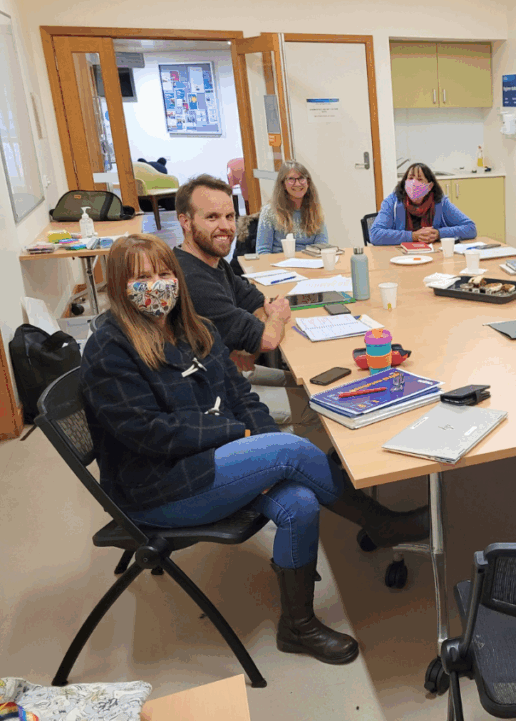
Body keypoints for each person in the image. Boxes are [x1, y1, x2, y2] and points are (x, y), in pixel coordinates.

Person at [80, 234, 430, 665]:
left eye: (165, 273)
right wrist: (241, 437)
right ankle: (382, 525)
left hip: (211, 459)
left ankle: (297, 627)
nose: (157, 285)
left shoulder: (196, 329)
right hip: (157, 485)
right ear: (119, 287)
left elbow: (243, 398)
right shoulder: (109, 348)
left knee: (299, 500)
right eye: (142, 277)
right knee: (290, 452)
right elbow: (150, 433)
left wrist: (259, 444)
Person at [173, 174, 319, 441]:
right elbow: (268, 339)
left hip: (227, 369)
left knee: (306, 385)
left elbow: (258, 301)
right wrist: (272, 321)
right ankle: (289, 460)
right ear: (185, 221)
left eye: (229, 216)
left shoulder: (213, 263)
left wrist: (257, 331)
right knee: (316, 407)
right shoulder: (192, 278)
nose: (225, 226)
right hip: (208, 391)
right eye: (212, 217)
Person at [369, 163, 476, 245]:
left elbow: (470, 228)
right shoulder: (392, 202)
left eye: (419, 179)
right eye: (410, 178)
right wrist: (413, 236)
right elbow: (374, 235)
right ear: (404, 182)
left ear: (430, 186)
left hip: (434, 255)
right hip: (400, 256)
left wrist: (438, 234)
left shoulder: (441, 202)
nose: (414, 183)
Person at [254, 161, 329, 254]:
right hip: (279, 262)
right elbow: (263, 252)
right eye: (291, 179)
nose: (297, 184)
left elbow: (322, 248)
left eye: (301, 178)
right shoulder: (269, 212)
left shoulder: (316, 210)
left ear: (308, 182)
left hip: (310, 261)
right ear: (283, 184)